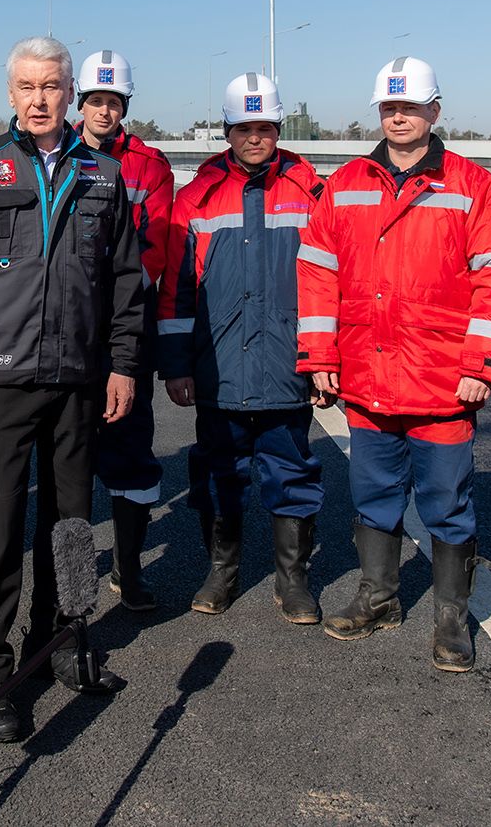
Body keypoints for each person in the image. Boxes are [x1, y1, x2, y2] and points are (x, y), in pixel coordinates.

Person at [0, 36, 144, 742]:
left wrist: (122, 362)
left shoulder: (104, 176)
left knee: (72, 525)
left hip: (78, 380)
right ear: (11, 93)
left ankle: (63, 643)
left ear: (72, 91)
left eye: (54, 85)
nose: (42, 98)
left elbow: (126, 283)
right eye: (28, 86)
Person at [297, 57, 491, 671]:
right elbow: (317, 274)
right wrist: (319, 355)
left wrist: (482, 363)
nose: (399, 118)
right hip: (368, 377)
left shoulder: (471, 185)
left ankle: (451, 619)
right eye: (389, 109)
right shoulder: (344, 186)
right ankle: (378, 598)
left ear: (435, 112)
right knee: (373, 497)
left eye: (411, 108)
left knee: (447, 502)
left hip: (444, 378)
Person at [158, 72, 326, 623]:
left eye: (265, 127)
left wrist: (326, 362)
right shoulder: (197, 198)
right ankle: (222, 570)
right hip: (219, 367)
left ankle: (292, 579)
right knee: (216, 474)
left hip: (285, 365)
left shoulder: (311, 193)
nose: (255, 138)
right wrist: (178, 365)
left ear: (278, 128)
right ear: (226, 131)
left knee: (292, 472)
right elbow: (177, 290)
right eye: (243, 128)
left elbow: (333, 281)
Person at [64, 50, 173, 611]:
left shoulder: (149, 167)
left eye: (113, 101)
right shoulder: (56, 156)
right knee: (71, 459)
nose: (103, 111)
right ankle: (74, 583)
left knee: (130, 448)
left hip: (124, 327)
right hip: (62, 330)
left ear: (125, 105)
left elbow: (150, 253)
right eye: (95, 101)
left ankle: (128, 572)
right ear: (80, 103)